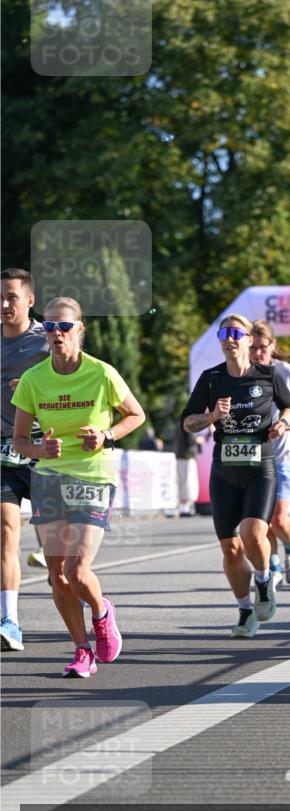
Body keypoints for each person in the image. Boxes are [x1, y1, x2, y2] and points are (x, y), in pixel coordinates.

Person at [11, 297, 145, 676]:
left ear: (79, 330)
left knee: (77, 570)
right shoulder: (34, 379)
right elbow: (19, 440)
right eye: (50, 326)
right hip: (49, 478)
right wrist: (39, 449)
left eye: (65, 326)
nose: (57, 332)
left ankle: (102, 612)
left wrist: (106, 436)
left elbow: (136, 415)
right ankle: (81, 649)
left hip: (92, 476)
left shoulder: (101, 373)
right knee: (56, 575)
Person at [182, 313, 290, 637]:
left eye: (236, 333)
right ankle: (245, 610)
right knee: (230, 549)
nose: (229, 339)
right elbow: (187, 423)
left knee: (252, 533)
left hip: (260, 467)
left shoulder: (269, 374)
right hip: (224, 471)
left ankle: (263, 579)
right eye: (224, 334)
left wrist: (283, 423)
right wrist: (212, 417)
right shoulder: (211, 378)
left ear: (248, 339)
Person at [1, 268, 50, 650]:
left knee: (58, 554)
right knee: (6, 529)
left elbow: (75, 379)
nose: (4, 304)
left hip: (44, 448)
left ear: (30, 300)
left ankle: (92, 608)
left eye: (12, 297)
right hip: (4, 448)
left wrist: (37, 389)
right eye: (0, 298)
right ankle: (9, 621)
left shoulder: (47, 341)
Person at [250, 320, 290, 586]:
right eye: (253, 347)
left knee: (278, 518)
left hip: (284, 454)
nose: (258, 352)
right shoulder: (244, 372)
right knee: (262, 520)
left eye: (263, 347)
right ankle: (274, 566)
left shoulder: (285, 370)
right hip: (256, 455)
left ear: (273, 345)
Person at [174, 424, 202, 516]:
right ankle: (187, 508)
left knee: (182, 482)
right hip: (188, 457)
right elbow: (192, 439)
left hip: (180, 456)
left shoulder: (178, 425)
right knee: (189, 482)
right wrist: (199, 439)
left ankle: (183, 507)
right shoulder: (189, 423)